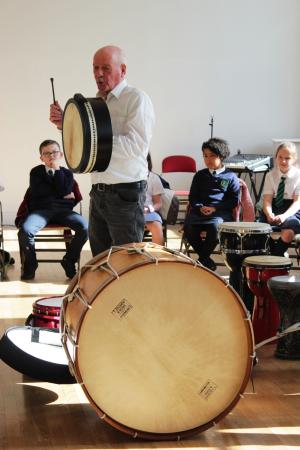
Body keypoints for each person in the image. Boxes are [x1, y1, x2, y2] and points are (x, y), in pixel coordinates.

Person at [50, 45, 155, 256]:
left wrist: (89, 137)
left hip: (125, 194)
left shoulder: (136, 99)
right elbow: (86, 144)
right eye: (95, 68)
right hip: (98, 193)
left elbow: (135, 146)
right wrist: (66, 125)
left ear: (122, 70)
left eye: (105, 68)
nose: (98, 74)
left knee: (127, 262)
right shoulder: (97, 103)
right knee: (101, 260)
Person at [18, 140, 88, 280]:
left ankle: (69, 261)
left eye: (54, 152)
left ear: (61, 154)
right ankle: (31, 264)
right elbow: (38, 192)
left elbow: (64, 189)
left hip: (64, 211)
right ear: (41, 157)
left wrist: (57, 171)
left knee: (85, 227)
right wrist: (63, 194)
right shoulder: (36, 172)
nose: (51, 156)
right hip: (40, 211)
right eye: (47, 153)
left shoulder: (67, 173)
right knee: (25, 231)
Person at [184, 138, 240, 271]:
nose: (208, 159)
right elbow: (193, 196)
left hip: (219, 213)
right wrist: (199, 207)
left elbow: (233, 200)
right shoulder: (199, 175)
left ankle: (202, 260)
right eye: (205, 156)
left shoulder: (230, 176)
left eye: (212, 156)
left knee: (215, 229)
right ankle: (206, 260)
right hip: (200, 212)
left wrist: (215, 208)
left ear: (222, 157)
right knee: (189, 228)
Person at [260, 141, 300, 256]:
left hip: (292, 209)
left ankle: (275, 257)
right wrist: (269, 214)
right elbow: (267, 200)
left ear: (294, 159)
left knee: (288, 234)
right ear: (276, 157)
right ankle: (280, 254)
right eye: (280, 157)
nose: (283, 161)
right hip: (274, 206)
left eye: (287, 158)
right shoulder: (270, 175)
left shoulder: (298, 176)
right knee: (260, 232)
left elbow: (297, 202)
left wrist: (283, 216)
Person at [144, 154, 164, 245]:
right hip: (129, 211)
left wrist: (150, 208)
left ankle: (158, 257)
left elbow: (158, 203)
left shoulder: (153, 178)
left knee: (157, 227)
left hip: (147, 211)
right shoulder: (126, 177)